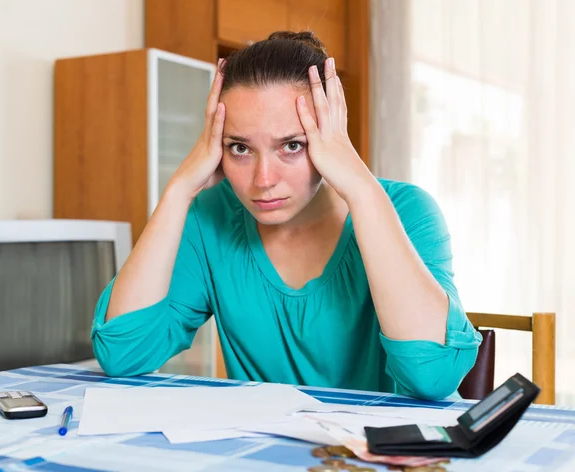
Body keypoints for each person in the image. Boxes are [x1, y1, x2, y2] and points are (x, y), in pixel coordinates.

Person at [91, 31, 482, 400]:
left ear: (332, 134)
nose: (263, 179)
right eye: (240, 148)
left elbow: (433, 377)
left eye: (292, 145)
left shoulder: (407, 211)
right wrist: (179, 190)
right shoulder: (209, 217)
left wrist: (362, 191)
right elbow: (122, 355)